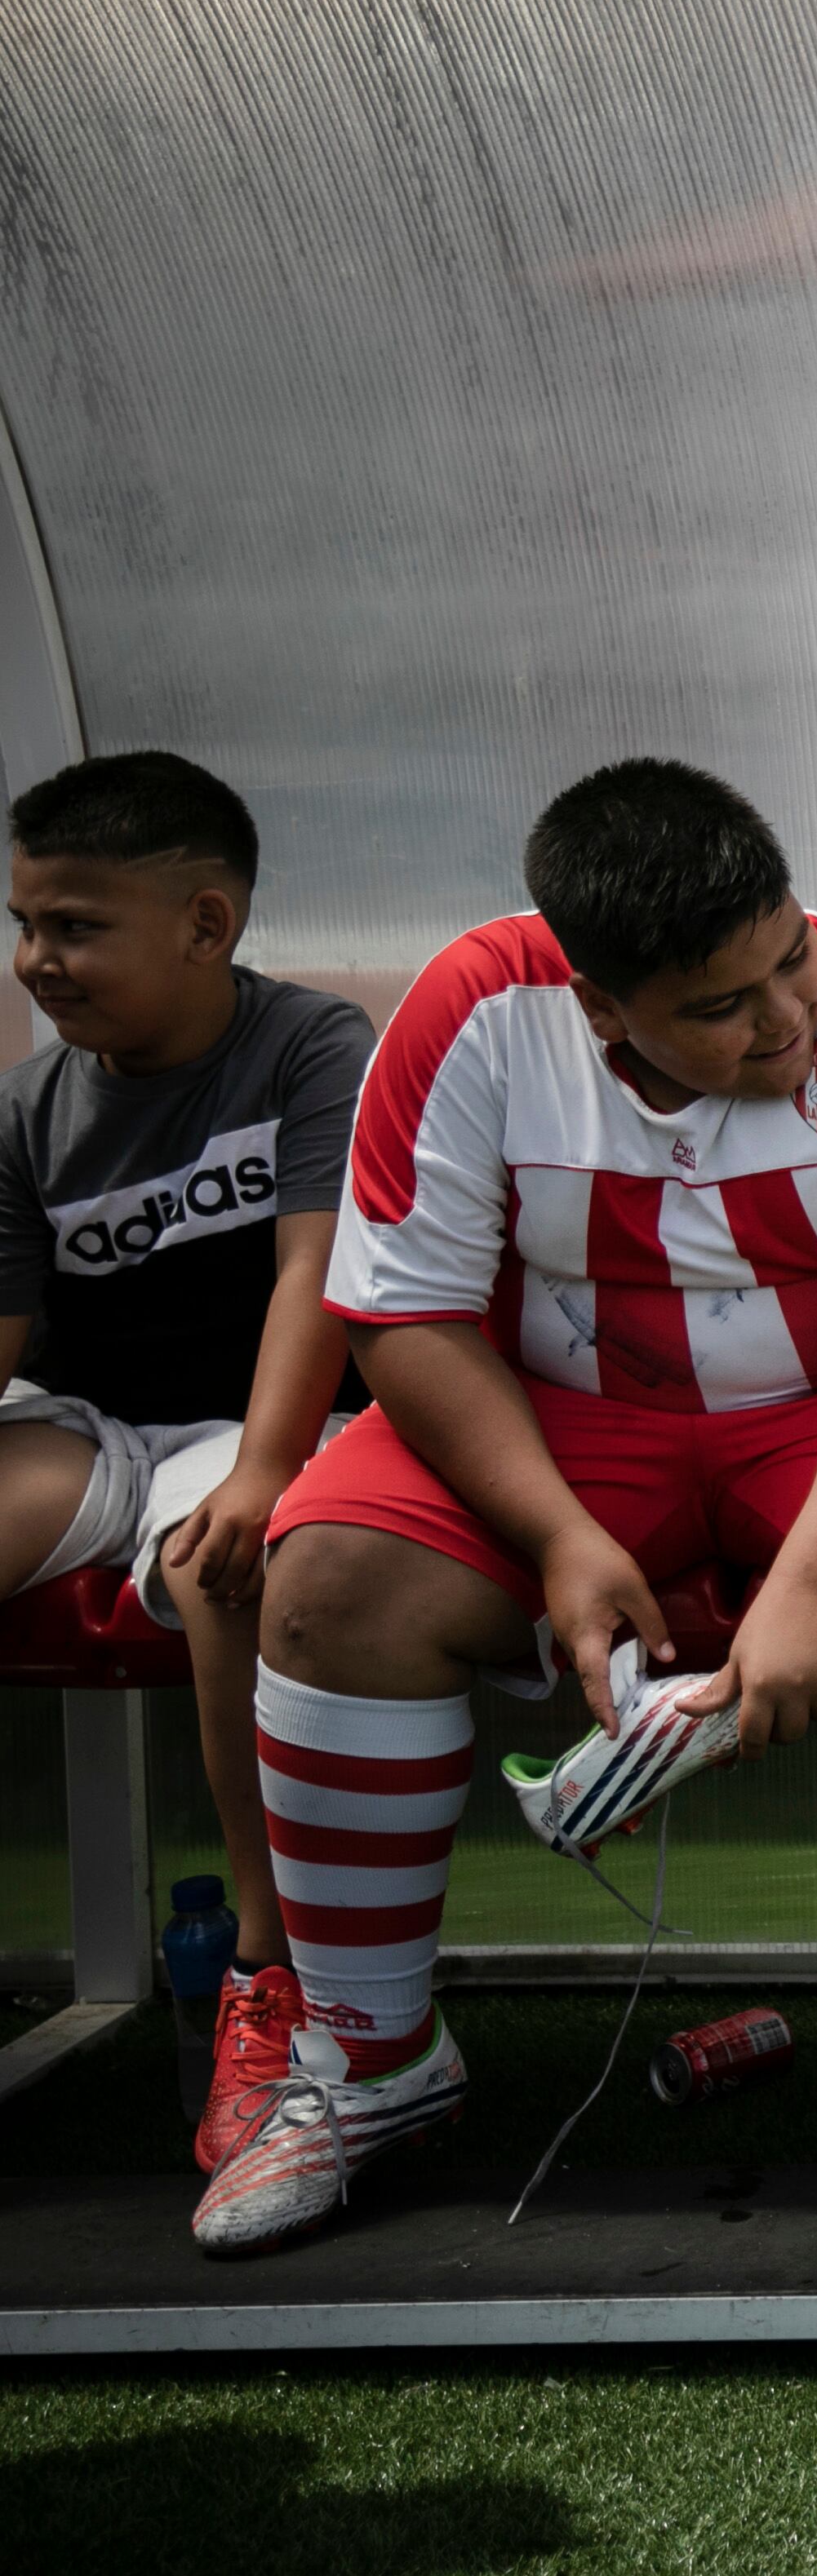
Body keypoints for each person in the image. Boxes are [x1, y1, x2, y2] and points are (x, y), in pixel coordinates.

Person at [198, 760, 817, 2253]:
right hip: (566, 1430)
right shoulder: (473, 1010)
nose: (788, 1017)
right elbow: (409, 1317)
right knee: (329, 1579)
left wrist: (816, 1578)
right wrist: (559, 1532)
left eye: (793, 956)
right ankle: (371, 2063)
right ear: (598, 1005)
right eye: (722, 1005)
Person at [0, 753, 371, 2173]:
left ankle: (267, 1984)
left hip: (268, 1425)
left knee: (227, 1558)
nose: (40, 959)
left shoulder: (309, 1048)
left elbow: (317, 1279)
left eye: (77, 925)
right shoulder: (25, 1115)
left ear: (206, 925)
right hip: (101, 1427)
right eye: (27, 923)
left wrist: (267, 1468)